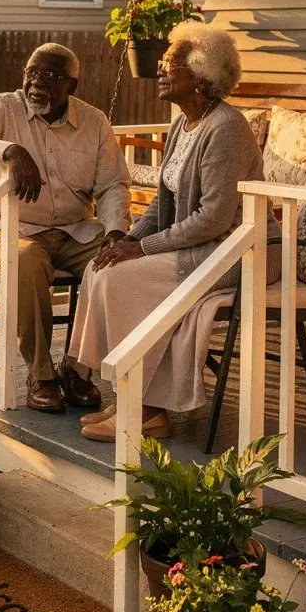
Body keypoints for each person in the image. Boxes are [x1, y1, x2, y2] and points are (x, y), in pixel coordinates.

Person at [72, 22, 281, 443]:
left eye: (173, 65)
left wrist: (144, 248)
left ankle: (146, 410)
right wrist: (127, 240)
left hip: (240, 250)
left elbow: (214, 220)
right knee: (101, 268)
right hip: (205, 245)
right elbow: (160, 205)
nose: (162, 71)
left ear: (202, 80)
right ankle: (134, 397)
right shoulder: (181, 125)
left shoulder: (226, 129)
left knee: (122, 280)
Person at [0, 43, 131, 413]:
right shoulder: (4, 108)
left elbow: (112, 184)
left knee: (119, 261)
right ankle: (41, 375)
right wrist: (10, 151)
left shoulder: (94, 122)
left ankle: (78, 369)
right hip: (12, 229)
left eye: (49, 76)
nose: (35, 83)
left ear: (71, 85)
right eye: (31, 72)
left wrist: (114, 230)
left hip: (75, 228)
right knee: (26, 261)